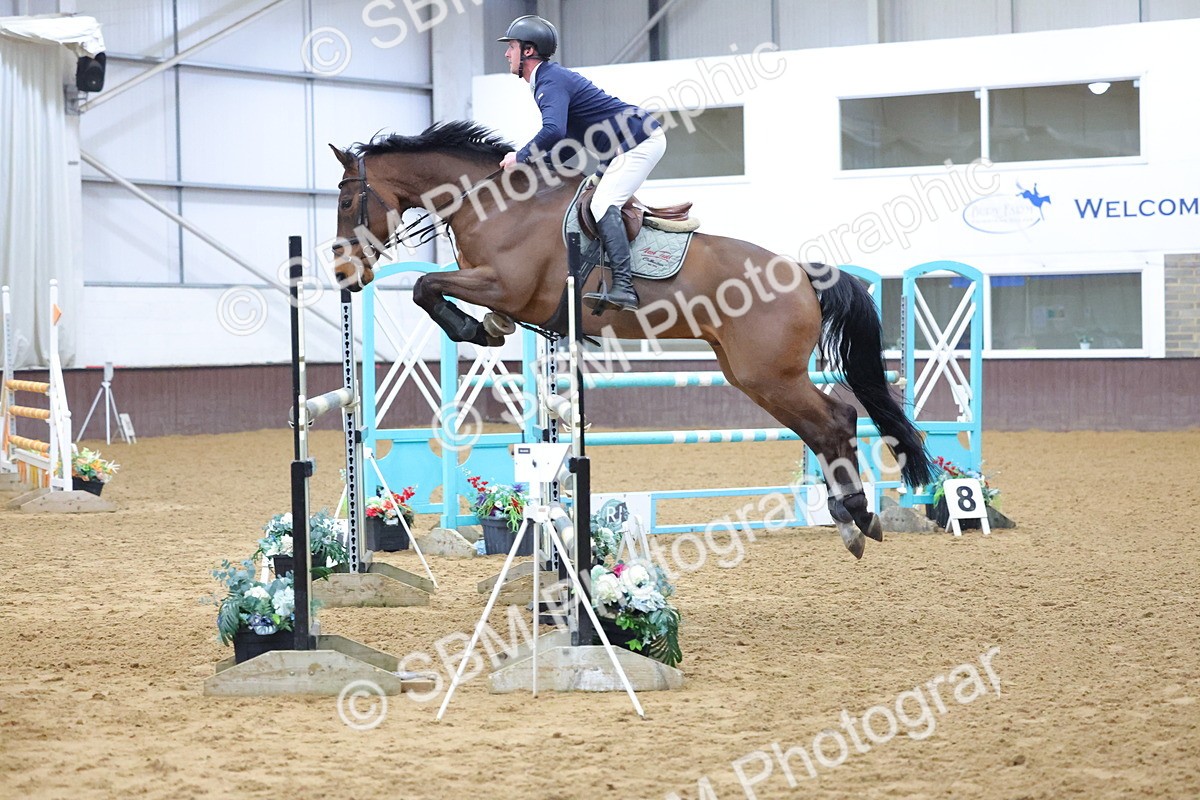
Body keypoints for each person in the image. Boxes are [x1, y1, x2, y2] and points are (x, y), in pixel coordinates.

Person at [497, 14, 666, 312]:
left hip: (638, 140)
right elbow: (569, 143)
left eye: (511, 46)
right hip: (624, 145)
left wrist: (520, 156)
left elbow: (553, 131)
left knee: (602, 204)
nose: (506, 54)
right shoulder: (548, 80)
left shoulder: (550, 80)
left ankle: (624, 288)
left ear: (528, 50)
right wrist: (536, 169)